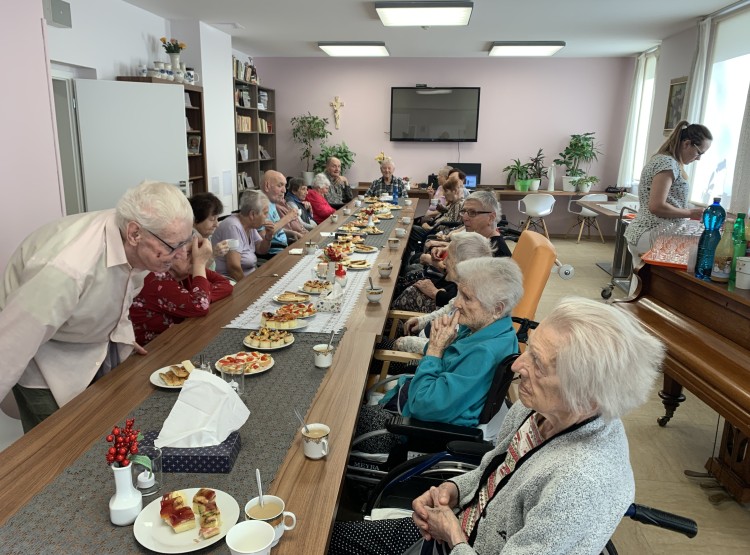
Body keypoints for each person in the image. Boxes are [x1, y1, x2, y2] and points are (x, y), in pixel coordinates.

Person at [329, 297, 665, 555]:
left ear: (587, 394)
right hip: (463, 525)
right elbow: (496, 468)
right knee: (334, 539)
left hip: (461, 543)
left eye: (538, 362)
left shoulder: (579, 484)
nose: (518, 366)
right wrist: (455, 488)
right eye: (528, 350)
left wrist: (453, 536)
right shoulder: (541, 409)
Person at [0, 181, 194, 431]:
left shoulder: (141, 240)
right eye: (173, 246)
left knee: (102, 431)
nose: (181, 255)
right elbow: (12, 343)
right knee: (57, 447)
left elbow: (121, 289)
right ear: (134, 234)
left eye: (185, 242)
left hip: (92, 344)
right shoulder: (69, 268)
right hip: (42, 356)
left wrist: (118, 331)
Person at [355, 257, 523, 453]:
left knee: (346, 415)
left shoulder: (483, 353)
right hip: (418, 400)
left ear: (497, 308)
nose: (457, 304)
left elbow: (423, 405)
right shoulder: (487, 328)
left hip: (418, 432)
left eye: (467, 298)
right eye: (459, 293)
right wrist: (437, 345)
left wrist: (435, 348)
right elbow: (441, 358)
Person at [625, 121, 711, 269]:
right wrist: (690, 213)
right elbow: (656, 206)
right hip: (651, 232)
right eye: (699, 152)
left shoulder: (667, 162)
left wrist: (689, 209)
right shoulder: (667, 163)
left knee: (641, 284)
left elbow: (670, 200)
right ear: (687, 143)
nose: (699, 159)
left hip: (648, 232)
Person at [130, 234, 233, 345]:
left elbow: (225, 284)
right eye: (189, 253)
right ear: (170, 255)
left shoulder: (187, 270)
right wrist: (200, 264)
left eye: (196, 254)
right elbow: (200, 305)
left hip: (179, 338)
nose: (194, 259)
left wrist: (202, 296)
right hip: (153, 351)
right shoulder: (157, 278)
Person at [391, 232, 494, 314]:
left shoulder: (464, 298)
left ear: (462, 264)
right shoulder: (463, 288)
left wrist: (436, 293)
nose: (444, 262)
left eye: (448, 257)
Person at [212, 190, 274, 281]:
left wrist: (268, 236)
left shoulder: (250, 225)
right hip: (233, 282)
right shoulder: (232, 226)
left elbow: (261, 249)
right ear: (252, 214)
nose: (267, 217)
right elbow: (234, 268)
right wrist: (247, 288)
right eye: (265, 213)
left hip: (251, 276)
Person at [260, 170, 302, 253]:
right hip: (273, 254)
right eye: (280, 185)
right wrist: (288, 217)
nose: (284, 190)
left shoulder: (271, 202)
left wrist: (291, 233)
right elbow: (263, 236)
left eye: (285, 185)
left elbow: (274, 228)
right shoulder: (259, 206)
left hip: (285, 248)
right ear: (267, 186)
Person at [188, 192, 230, 266]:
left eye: (217, 219)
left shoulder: (205, 236)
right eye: (212, 219)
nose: (217, 224)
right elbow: (193, 273)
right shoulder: (189, 241)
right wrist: (213, 254)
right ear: (195, 219)